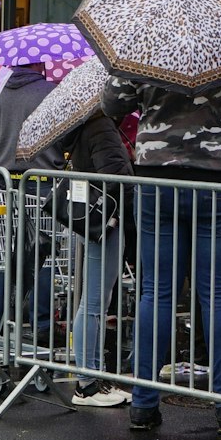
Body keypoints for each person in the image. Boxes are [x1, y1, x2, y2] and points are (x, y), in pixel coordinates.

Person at [103, 67, 221, 434]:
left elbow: (112, 102)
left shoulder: (147, 45)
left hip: (158, 176)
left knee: (156, 291)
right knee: (218, 294)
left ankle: (143, 402)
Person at [59, 104, 135, 408]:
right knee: (93, 302)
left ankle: (92, 377)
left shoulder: (84, 125)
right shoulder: (100, 126)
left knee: (93, 301)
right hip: (107, 219)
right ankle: (88, 383)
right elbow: (115, 177)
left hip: (96, 218)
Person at [0, 61, 60, 172]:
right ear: (38, 63)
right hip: (46, 175)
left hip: (3, 176)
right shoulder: (56, 93)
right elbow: (67, 135)